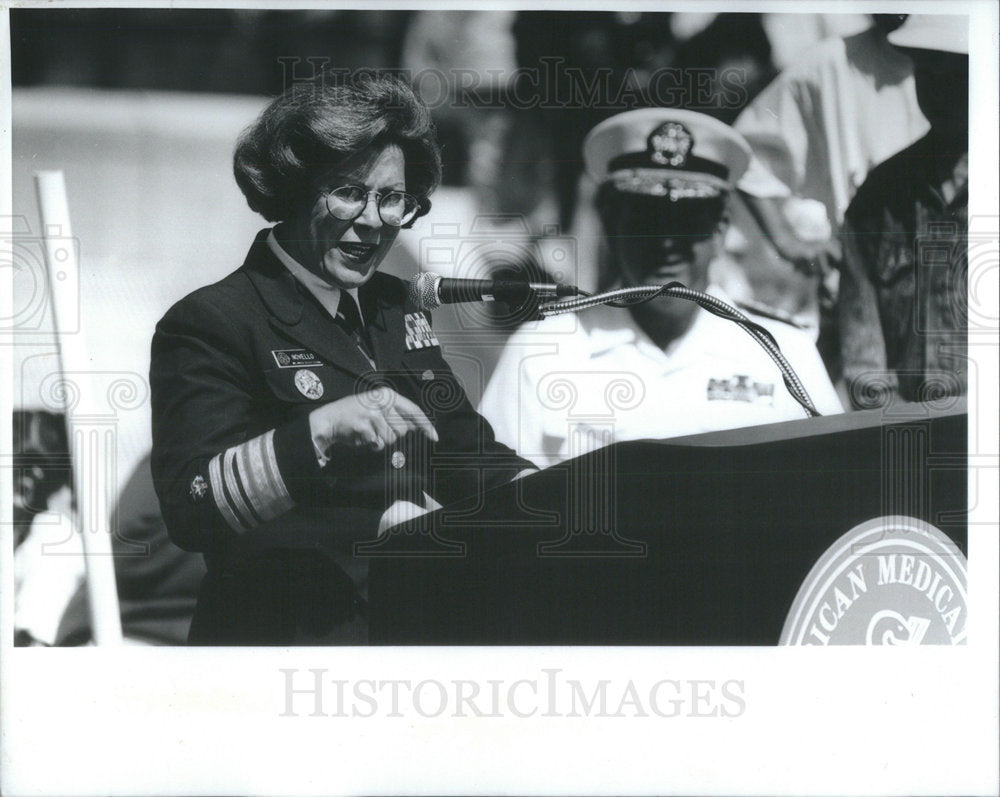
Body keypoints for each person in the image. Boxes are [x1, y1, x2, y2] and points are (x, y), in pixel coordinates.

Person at [149, 72, 534, 645]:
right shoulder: (213, 321)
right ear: (293, 188)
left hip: (400, 643)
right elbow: (191, 508)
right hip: (275, 649)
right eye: (349, 192)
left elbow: (463, 453)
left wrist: (546, 490)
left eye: (393, 199)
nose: (374, 220)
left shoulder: (396, 306)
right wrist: (321, 434)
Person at [479, 108, 842, 469]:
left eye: (687, 222)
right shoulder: (542, 351)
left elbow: (835, 482)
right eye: (647, 221)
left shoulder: (782, 353)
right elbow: (500, 495)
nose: (667, 243)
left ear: (719, 230)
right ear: (612, 224)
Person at [835, 15, 968, 409]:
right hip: (908, 428)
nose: (941, 89)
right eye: (928, 71)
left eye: (958, 73)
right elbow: (865, 364)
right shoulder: (881, 197)